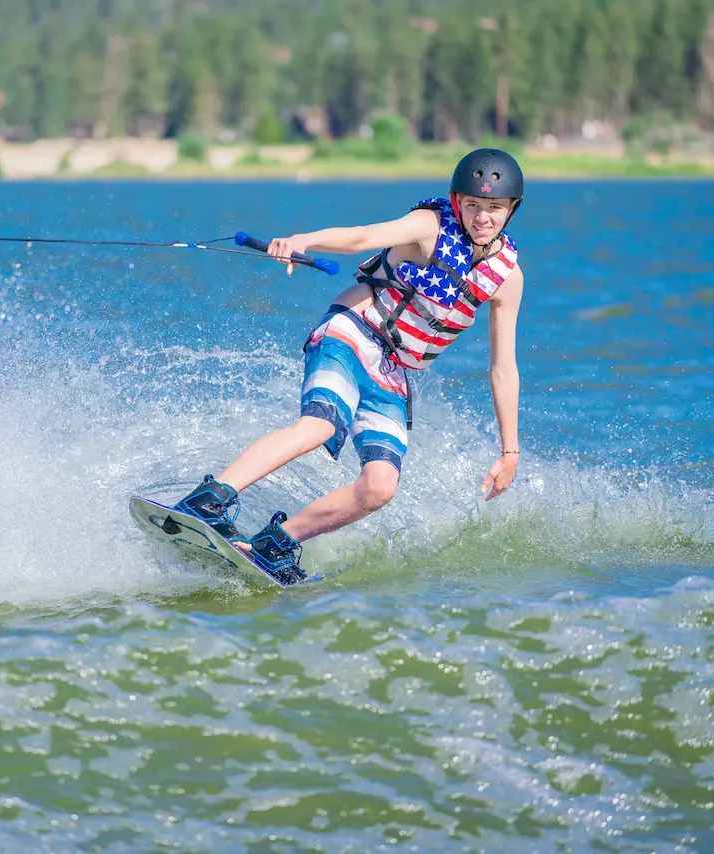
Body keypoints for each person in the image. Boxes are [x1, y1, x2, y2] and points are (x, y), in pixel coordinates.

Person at [175, 148, 526, 578]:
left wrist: (510, 451)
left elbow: (503, 369)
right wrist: (304, 241)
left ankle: (276, 543)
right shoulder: (429, 226)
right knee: (319, 425)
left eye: (494, 207)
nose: (482, 217)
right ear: (458, 202)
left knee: (380, 487)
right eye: (473, 205)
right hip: (352, 332)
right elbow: (361, 237)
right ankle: (210, 498)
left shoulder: (507, 278)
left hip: (392, 371)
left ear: (511, 209)